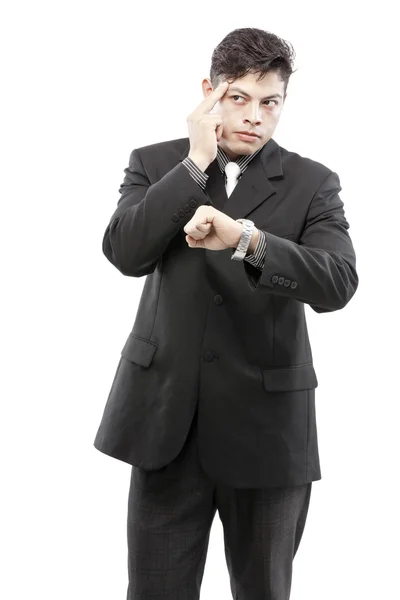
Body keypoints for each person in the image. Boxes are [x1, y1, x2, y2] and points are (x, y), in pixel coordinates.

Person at [93, 26, 359, 600]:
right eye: (239, 98)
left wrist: (249, 241)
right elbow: (124, 252)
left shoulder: (314, 183)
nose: (255, 117)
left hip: (267, 436)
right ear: (209, 92)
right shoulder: (156, 163)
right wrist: (193, 167)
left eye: (270, 103)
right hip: (167, 426)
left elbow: (337, 283)